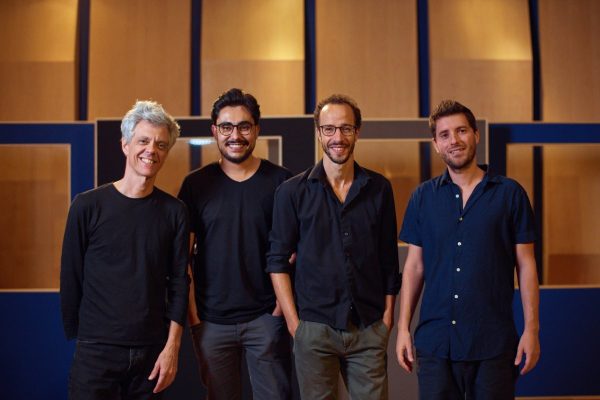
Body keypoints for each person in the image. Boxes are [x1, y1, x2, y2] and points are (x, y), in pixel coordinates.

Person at [395, 100, 540, 399]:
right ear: (436, 144)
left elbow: (526, 265)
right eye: (445, 135)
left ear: (476, 134)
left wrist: (532, 330)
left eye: (461, 131)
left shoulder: (510, 194)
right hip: (436, 343)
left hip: (493, 344)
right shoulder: (422, 198)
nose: (454, 140)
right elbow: (414, 267)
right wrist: (403, 329)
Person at [267, 94, 400, 399]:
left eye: (346, 129)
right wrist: (295, 325)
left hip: (368, 326)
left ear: (358, 132)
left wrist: (387, 319)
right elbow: (277, 261)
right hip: (313, 328)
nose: (337, 137)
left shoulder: (379, 188)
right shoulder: (291, 193)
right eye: (329, 129)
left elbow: (388, 260)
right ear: (318, 133)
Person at [60, 100, 190, 399]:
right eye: (143, 141)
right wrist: (87, 336)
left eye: (160, 144)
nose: (151, 150)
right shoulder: (87, 205)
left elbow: (180, 283)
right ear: (125, 145)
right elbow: (71, 275)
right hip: (96, 351)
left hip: (151, 353)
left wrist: (172, 349)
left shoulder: (175, 212)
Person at [177, 88, 292, 399]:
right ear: (215, 130)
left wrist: (280, 310)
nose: (235, 135)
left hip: (266, 319)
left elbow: (295, 252)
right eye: (226, 127)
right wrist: (195, 318)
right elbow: (182, 258)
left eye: (244, 126)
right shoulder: (195, 185)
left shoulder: (282, 183)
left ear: (256, 129)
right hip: (211, 322)